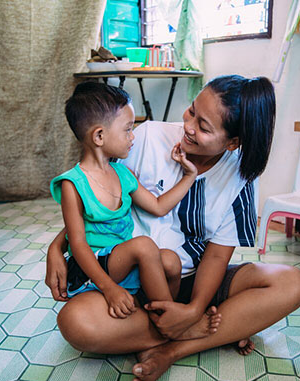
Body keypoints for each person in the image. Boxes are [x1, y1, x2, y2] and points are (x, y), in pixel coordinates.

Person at [46, 75, 300, 381]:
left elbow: (216, 254)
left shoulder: (240, 177)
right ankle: (216, 331)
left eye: (204, 126)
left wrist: (194, 309)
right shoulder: (143, 138)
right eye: (191, 111)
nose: (188, 125)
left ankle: (170, 349)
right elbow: (98, 197)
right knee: (74, 322)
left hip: (193, 281)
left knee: (292, 283)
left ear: (232, 142)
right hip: (132, 283)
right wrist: (56, 247)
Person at [51, 81, 220, 338]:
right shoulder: (72, 184)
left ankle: (163, 316)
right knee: (143, 245)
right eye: (128, 130)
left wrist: (189, 175)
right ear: (99, 136)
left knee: (172, 262)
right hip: (91, 267)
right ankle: (176, 330)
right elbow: (79, 245)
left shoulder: (122, 174)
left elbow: (158, 206)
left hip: (120, 259)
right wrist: (109, 289)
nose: (133, 137)